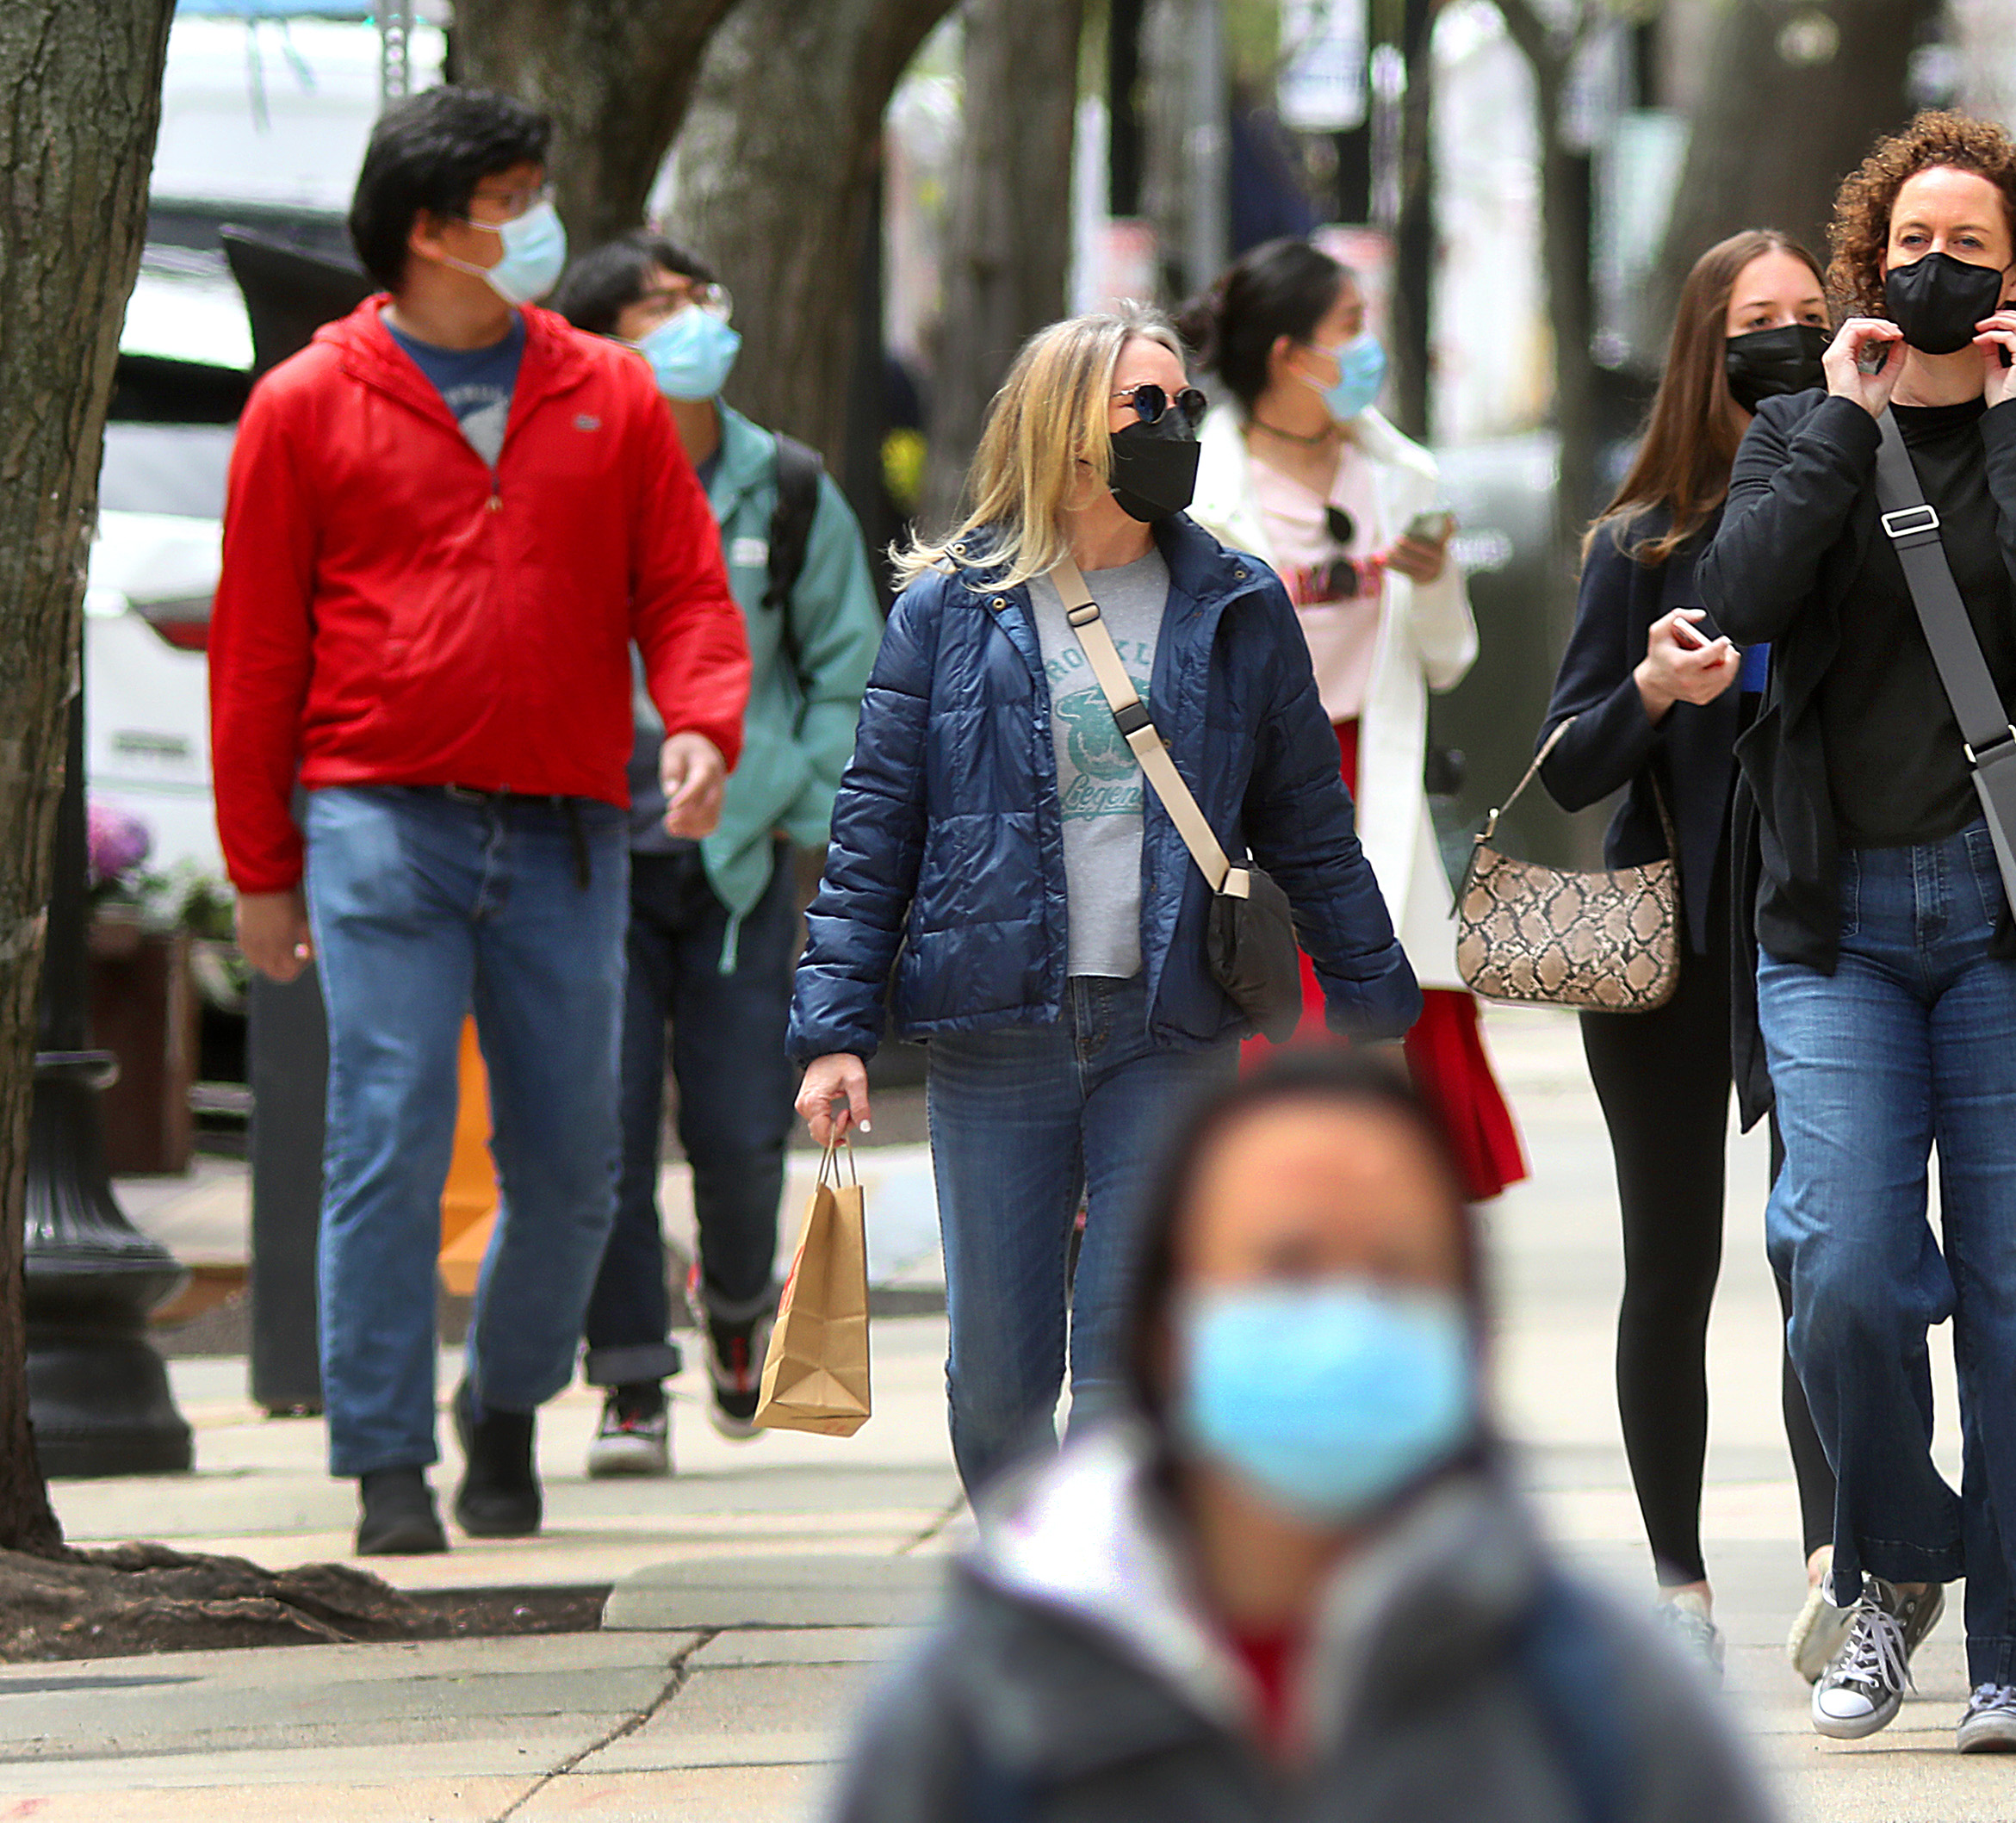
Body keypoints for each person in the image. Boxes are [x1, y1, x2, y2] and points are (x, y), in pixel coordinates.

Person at [208, 87, 750, 1555]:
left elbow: (686, 592)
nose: (540, 220)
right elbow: (257, 656)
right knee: (386, 1131)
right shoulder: (306, 404)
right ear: (432, 232)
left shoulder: (608, 392)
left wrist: (701, 718)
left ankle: (503, 1405)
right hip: (378, 818)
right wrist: (264, 872)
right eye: (513, 197)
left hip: (573, 828)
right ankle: (386, 1462)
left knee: (577, 1163)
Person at [790, 307, 1422, 1501]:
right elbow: (875, 827)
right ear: (1066, 427)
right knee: (999, 1383)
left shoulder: (1236, 602)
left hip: (1167, 1028)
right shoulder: (951, 607)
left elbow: (1309, 824)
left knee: (1132, 1362)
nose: (1172, 425)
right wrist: (834, 1031)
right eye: (1146, 406)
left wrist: (1374, 1013)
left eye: (1183, 406)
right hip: (999, 1027)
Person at [1696, 110, 2016, 1753]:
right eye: (1910, 247)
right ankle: (1898, 1566)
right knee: (1845, 1271)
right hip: (1834, 923)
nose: (1936, 267)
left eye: (1969, 247)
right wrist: (1838, 419)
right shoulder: (1806, 426)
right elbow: (1740, 593)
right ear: (1864, 267)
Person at [823, 1053, 1777, 1823]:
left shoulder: (1603, 1705)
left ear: (1472, 1331)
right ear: (1172, 1324)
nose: (1344, 1316)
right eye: (1287, 1266)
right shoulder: (974, 1717)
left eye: (1398, 1271)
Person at [1536, 228, 1846, 1680]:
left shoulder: (1860, 511)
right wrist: (1656, 687)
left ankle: (1834, 1561)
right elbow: (1565, 765)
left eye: (1806, 316)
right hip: (1664, 947)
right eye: (1752, 322)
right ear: (1701, 349)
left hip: (1818, 926)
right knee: (1669, 1265)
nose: (1779, 340)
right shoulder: (1635, 539)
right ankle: (1677, 1582)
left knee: (1823, 1258)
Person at [552, 233, 884, 1474]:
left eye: (703, 299)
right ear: (597, 340)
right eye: (660, 307)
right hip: (585, 855)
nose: (695, 321)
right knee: (606, 1125)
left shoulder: (785, 486)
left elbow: (852, 676)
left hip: (742, 865)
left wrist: (783, 790)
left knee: (745, 1132)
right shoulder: (563, 472)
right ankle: (630, 1379)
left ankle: (737, 1306)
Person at [1182, 240, 1526, 1203]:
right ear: (1291, 353)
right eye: (1351, 329)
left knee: (1380, 1015)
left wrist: (1433, 579)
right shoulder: (1208, 487)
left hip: (1367, 777)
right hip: (1243, 794)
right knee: (1267, 1024)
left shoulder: (1400, 474)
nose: (1367, 349)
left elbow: (1449, 657)